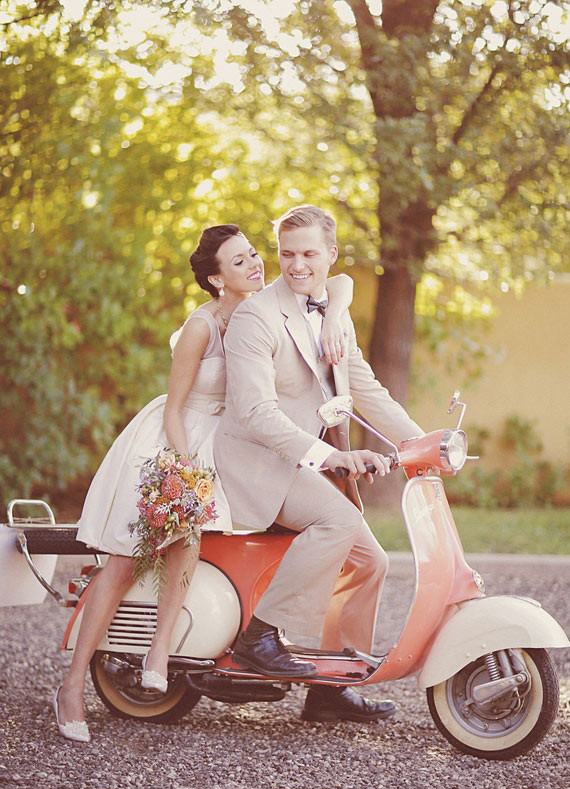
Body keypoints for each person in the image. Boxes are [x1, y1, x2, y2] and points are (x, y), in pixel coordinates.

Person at [53, 223, 354, 742]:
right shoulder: (202, 326)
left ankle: (160, 651)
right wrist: (182, 469)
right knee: (129, 557)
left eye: (255, 255)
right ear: (217, 280)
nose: (256, 265)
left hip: (227, 446)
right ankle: (73, 686)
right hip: (176, 440)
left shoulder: (267, 310)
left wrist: (341, 309)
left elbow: (339, 282)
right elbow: (174, 407)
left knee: (190, 545)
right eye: (239, 262)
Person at [213, 205, 424, 723]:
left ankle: (330, 691)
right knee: (340, 519)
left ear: (331, 254)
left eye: (309, 253)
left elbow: (368, 391)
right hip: (258, 462)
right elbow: (255, 413)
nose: (297, 265)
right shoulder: (255, 317)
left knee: (371, 561)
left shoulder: (333, 313)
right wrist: (334, 455)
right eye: (287, 254)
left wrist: (426, 442)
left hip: (304, 463)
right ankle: (258, 637)